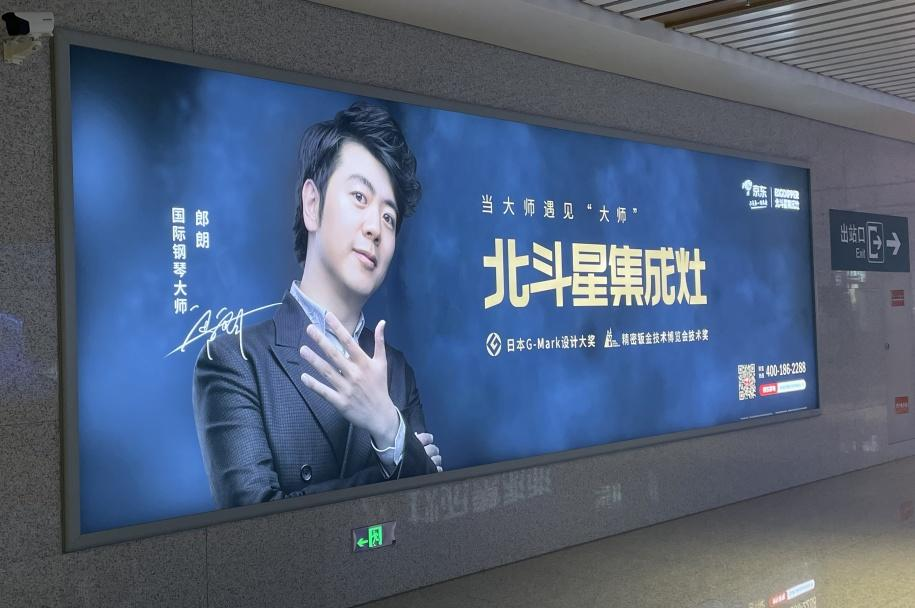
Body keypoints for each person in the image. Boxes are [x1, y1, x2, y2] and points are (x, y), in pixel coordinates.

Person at [193, 102, 441, 509]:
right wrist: (396, 452)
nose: (375, 228)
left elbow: (430, 509)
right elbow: (254, 522)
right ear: (312, 204)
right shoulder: (234, 361)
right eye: (359, 197)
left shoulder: (396, 372)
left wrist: (386, 422)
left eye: (389, 217)